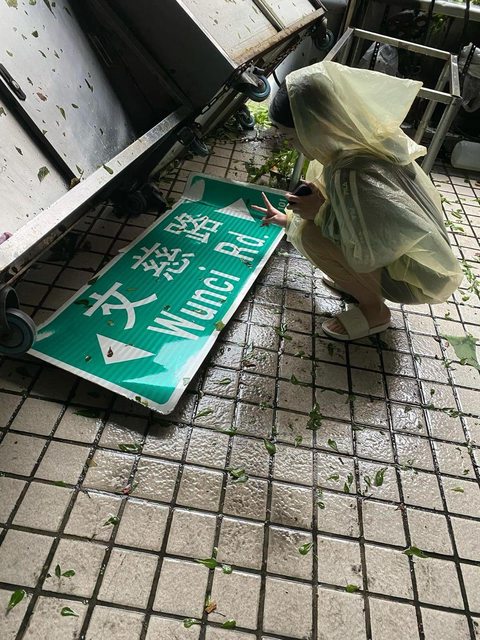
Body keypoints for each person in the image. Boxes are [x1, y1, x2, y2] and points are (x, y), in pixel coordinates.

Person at [251, 61, 463, 341]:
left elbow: (369, 249)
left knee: (311, 234)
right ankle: (360, 284)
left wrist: (318, 215)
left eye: (291, 136)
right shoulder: (359, 142)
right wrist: (289, 217)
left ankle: (374, 311)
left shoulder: (352, 172)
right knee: (310, 226)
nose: (289, 143)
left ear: (313, 126)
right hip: (419, 263)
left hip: (414, 280)